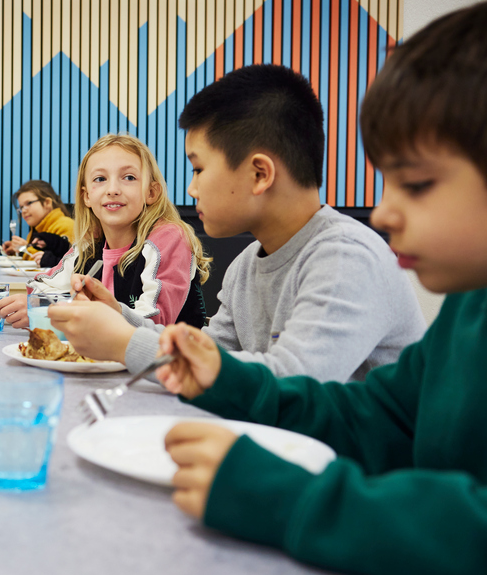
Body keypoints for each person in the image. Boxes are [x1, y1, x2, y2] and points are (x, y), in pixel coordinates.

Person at [102, 0, 487, 575]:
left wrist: (284, 497)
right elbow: (381, 418)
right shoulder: (476, 301)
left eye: (419, 183)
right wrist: (221, 378)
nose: (384, 211)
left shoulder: (346, 253)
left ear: (260, 172)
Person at [52, 66, 425, 382]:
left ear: (259, 173)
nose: (191, 187)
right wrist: (120, 318)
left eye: (199, 168)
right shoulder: (248, 263)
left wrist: (124, 344)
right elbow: (210, 352)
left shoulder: (345, 257)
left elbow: (293, 384)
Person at [0, 134, 210, 329]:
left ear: (151, 192)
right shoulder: (90, 244)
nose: (113, 190)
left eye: (129, 177)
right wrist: (32, 303)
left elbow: (153, 322)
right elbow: (46, 285)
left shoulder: (168, 239)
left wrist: (53, 312)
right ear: (87, 197)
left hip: (168, 369)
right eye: (100, 179)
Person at [1, 180, 75, 267]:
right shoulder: (36, 229)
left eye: (29, 203)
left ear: (47, 202)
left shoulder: (66, 225)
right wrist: (17, 250)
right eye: (21, 207)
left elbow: (66, 262)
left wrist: (25, 249)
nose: (24, 210)